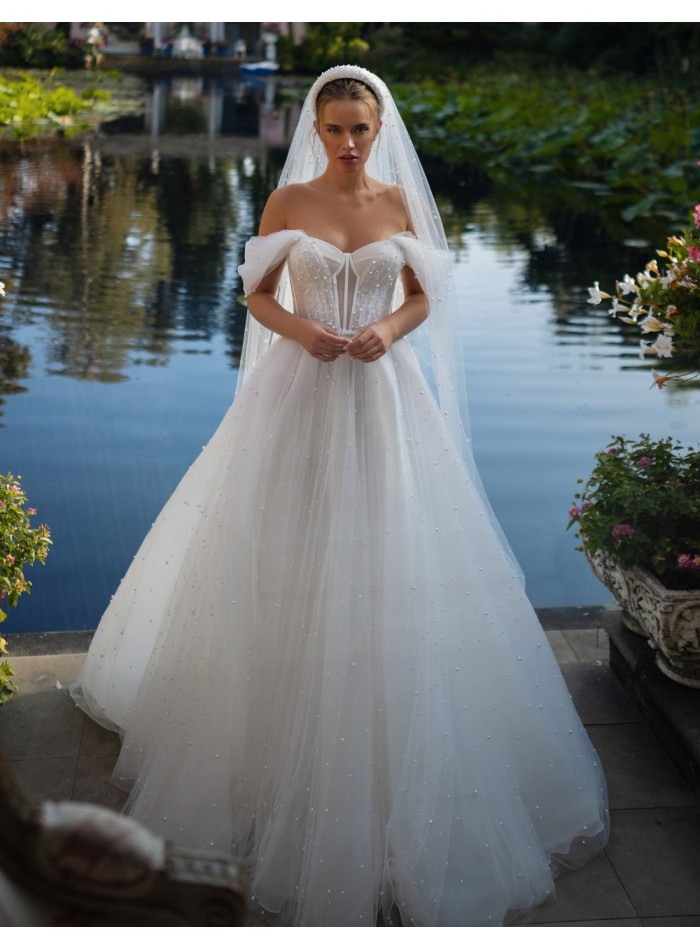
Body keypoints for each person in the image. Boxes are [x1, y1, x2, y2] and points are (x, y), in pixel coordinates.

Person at [71, 65, 608, 927]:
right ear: (314, 133)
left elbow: (428, 294)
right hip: (299, 392)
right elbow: (254, 293)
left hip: (387, 400)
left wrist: (388, 329)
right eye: (335, 131)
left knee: (398, 550)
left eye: (361, 128)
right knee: (283, 548)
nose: (350, 144)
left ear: (379, 125)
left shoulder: (400, 204)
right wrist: (306, 331)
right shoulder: (288, 208)